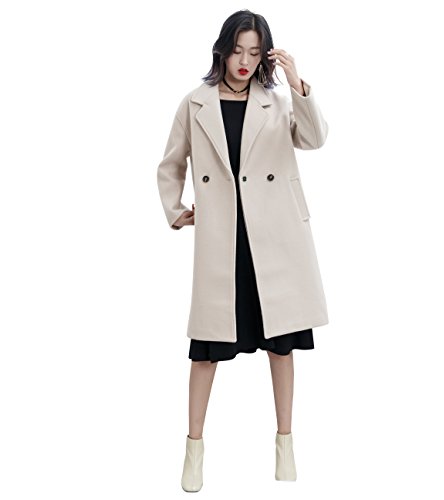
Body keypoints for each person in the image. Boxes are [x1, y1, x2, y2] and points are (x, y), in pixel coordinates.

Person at [156, 9, 329, 492]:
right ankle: (193, 452)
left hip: (274, 239)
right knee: (205, 351)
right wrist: (177, 211)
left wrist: (297, 83)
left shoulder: (278, 101)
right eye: (237, 50)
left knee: (282, 346)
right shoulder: (195, 103)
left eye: (255, 52)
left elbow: (315, 139)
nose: (245, 61)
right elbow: (170, 164)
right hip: (223, 241)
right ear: (222, 49)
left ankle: (285, 447)